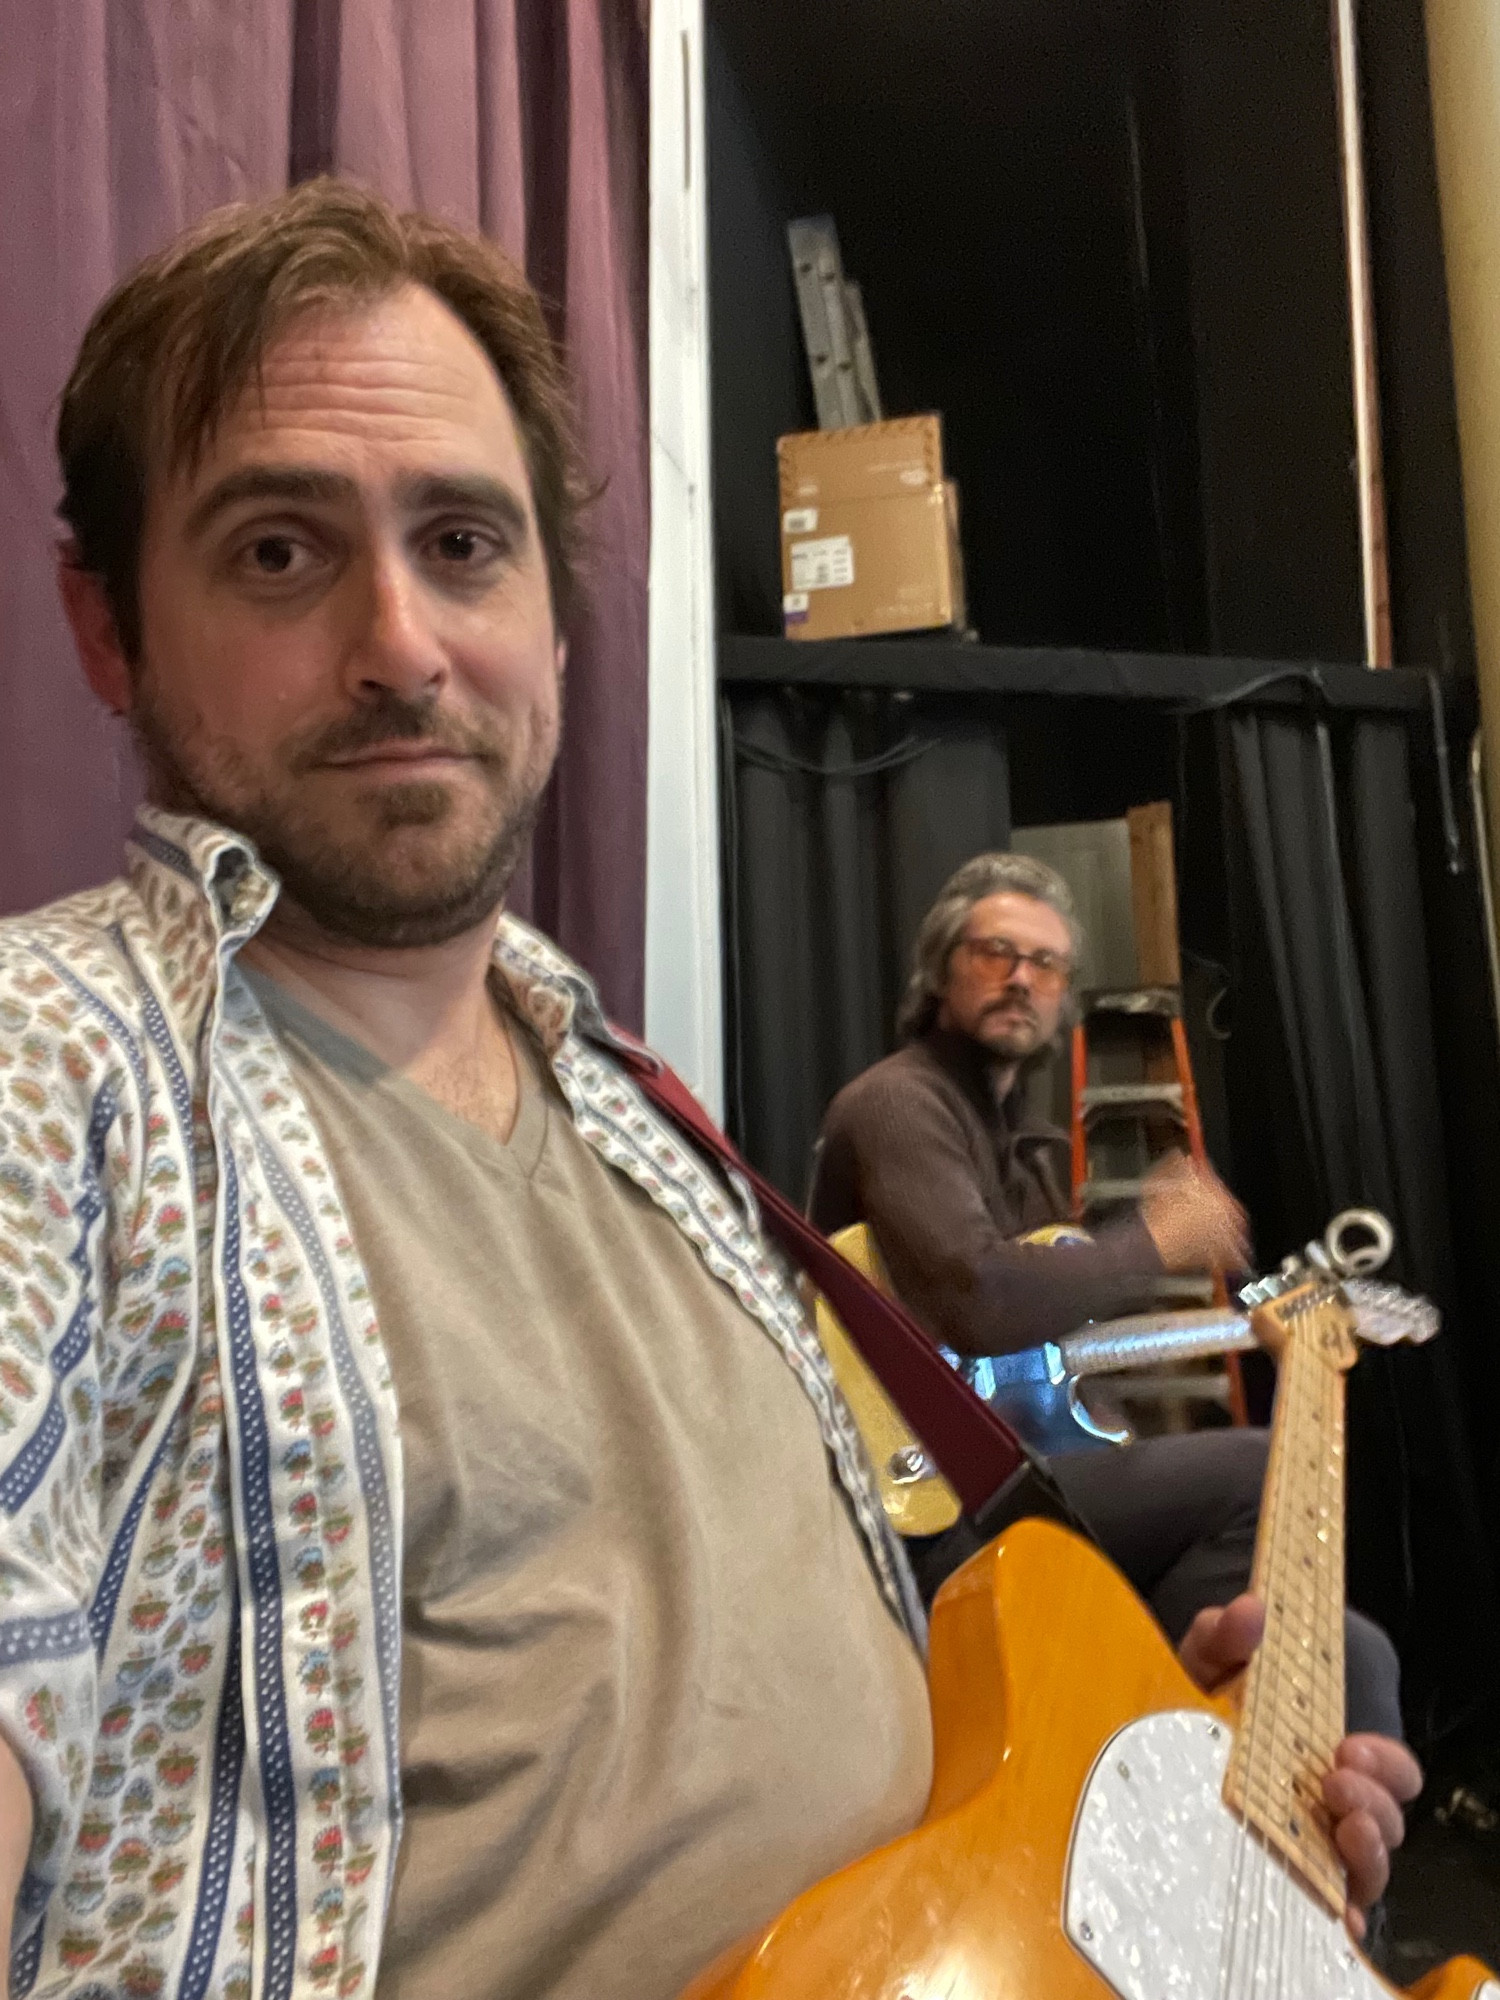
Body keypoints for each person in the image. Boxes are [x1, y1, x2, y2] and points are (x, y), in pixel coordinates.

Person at [0, 182, 1416, 2000]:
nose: (401, 643)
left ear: (559, 637)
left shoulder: (645, 1111)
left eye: (464, 543)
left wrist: (1139, 1807)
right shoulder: (56, 1073)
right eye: (278, 551)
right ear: (106, 626)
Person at [810, 852, 1404, 1729]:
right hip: (929, 1512)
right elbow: (981, 1301)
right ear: (940, 971)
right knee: (1256, 1467)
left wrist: (1235, 1326)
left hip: (1028, 1483)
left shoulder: (1032, 1149)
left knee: (1355, 1655)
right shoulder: (897, 1103)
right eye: (995, 952)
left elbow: (1046, 1353)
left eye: (1046, 964)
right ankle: (1157, 1725)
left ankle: (1175, 1715)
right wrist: (1156, 1238)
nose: (1022, 978)